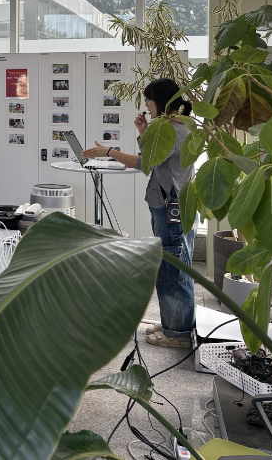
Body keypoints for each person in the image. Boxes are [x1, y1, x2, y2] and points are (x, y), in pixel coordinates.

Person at [82, 78, 196, 348]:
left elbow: (146, 162)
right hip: (169, 203)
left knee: (174, 265)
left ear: (163, 101)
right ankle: (174, 323)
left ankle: (178, 333)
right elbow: (154, 154)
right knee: (171, 262)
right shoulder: (168, 126)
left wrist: (108, 152)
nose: (146, 104)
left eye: (149, 99)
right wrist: (144, 131)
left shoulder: (177, 129)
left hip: (172, 205)